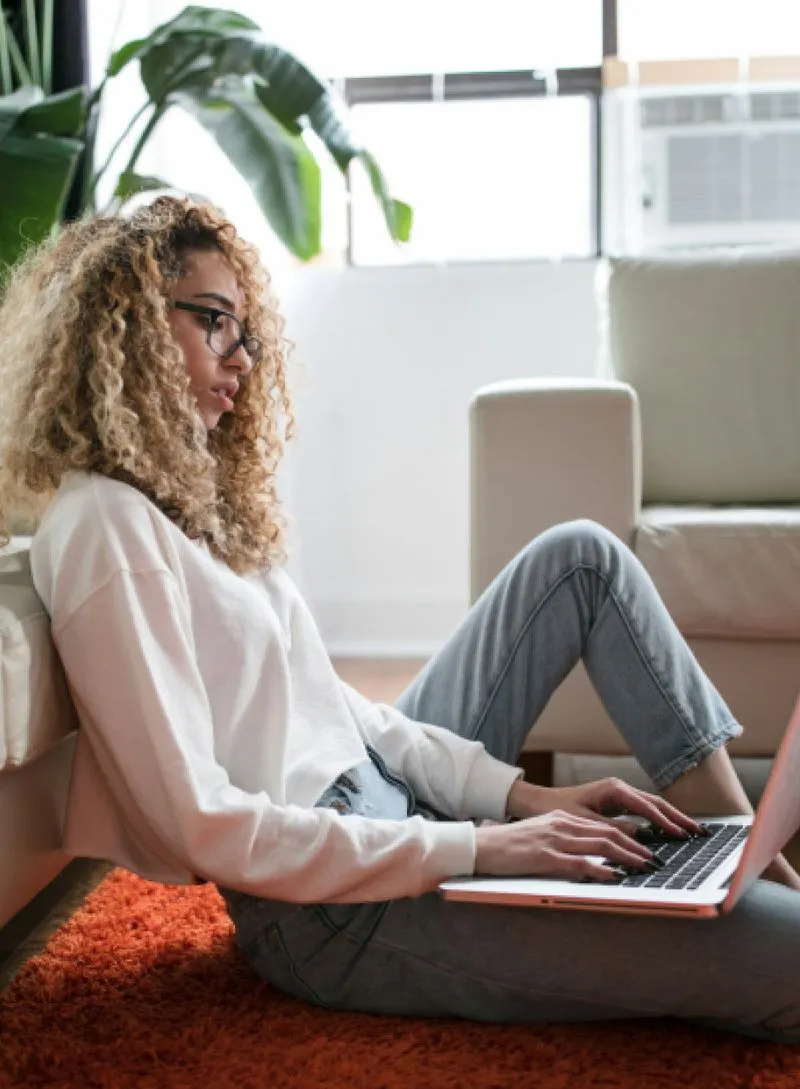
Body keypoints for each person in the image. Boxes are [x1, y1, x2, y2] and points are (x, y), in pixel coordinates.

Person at [0, 196, 798, 1043]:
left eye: (245, 329)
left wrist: (517, 796)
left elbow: (339, 710)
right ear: (126, 325)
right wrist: (480, 847)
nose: (242, 356)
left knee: (580, 559)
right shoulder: (105, 526)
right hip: (333, 911)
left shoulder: (198, 505)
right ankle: (743, 887)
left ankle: (738, 849)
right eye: (214, 320)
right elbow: (200, 822)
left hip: (392, 809)